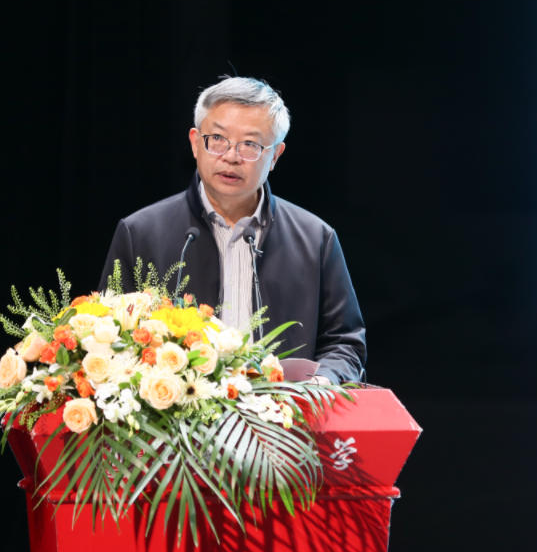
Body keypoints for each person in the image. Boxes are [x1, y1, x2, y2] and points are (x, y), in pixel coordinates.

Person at [98, 76, 366, 384]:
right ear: (195, 143)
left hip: (287, 411)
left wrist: (321, 384)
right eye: (217, 139)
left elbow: (345, 344)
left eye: (250, 144)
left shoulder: (316, 239)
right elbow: (107, 339)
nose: (231, 156)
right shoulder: (140, 233)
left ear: (275, 155)